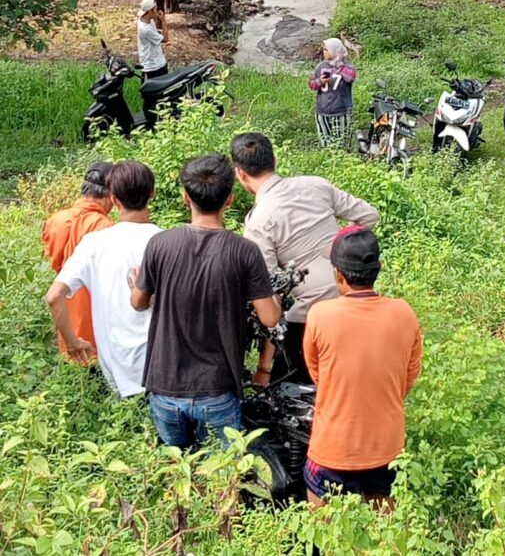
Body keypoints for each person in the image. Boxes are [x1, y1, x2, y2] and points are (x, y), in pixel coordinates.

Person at [131, 154, 280, 448]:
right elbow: (270, 318)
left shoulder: (160, 244)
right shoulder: (244, 252)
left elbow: (138, 302)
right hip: (218, 389)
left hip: (166, 386)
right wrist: (273, 295)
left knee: (177, 473)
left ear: (186, 198)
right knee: (222, 477)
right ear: (229, 199)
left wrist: (141, 285)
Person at [232, 132, 379, 386]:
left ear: (240, 174)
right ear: (274, 159)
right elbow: (369, 216)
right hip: (355, 297)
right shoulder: (315, 184)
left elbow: (270, 291)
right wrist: (339, 247)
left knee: (291, 389)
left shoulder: (257, 222)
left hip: (309, 317)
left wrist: (264, 367)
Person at [303, 227, 422, 510]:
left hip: (333, 448)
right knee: (385, 536)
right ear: (377, 269)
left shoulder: (320, 315)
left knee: (327, 534)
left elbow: (316, 372)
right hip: (387, 448)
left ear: (338, 275)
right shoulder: (404, 312)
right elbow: (408, 377)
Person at [45, 160, 161, 396]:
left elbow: (54, 291)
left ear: (115, 198)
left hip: (96, 336)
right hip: (159, 362)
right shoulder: (164, 241)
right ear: (153, 194)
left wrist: (71, 340)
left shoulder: (62, 224)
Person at [42, 162, 114, 359]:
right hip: (94, 316)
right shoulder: (105, 226)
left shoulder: (55, 220)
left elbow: (56, 264)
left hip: (64, 310)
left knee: (70, 366)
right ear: (111, 194)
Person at [309, 38, 357, 148]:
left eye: (327, 50)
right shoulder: (320, 67)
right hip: (322, 111)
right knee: (326, 143)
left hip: (341, 111)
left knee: (342, 144)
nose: (324, 52)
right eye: (324, 50)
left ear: (335, 51)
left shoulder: (347, 67)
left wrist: (339, 65)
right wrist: (319, 82)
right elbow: (311, 84)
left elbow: (350, 78)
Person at [137, 0, 169, 79]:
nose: (157, 11)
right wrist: (163, 20)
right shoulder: (145, 29)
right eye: (155, 9)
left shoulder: (146, 19)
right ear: (150, 11)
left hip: (156, 63)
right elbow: (165, 39)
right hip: (153, 67)